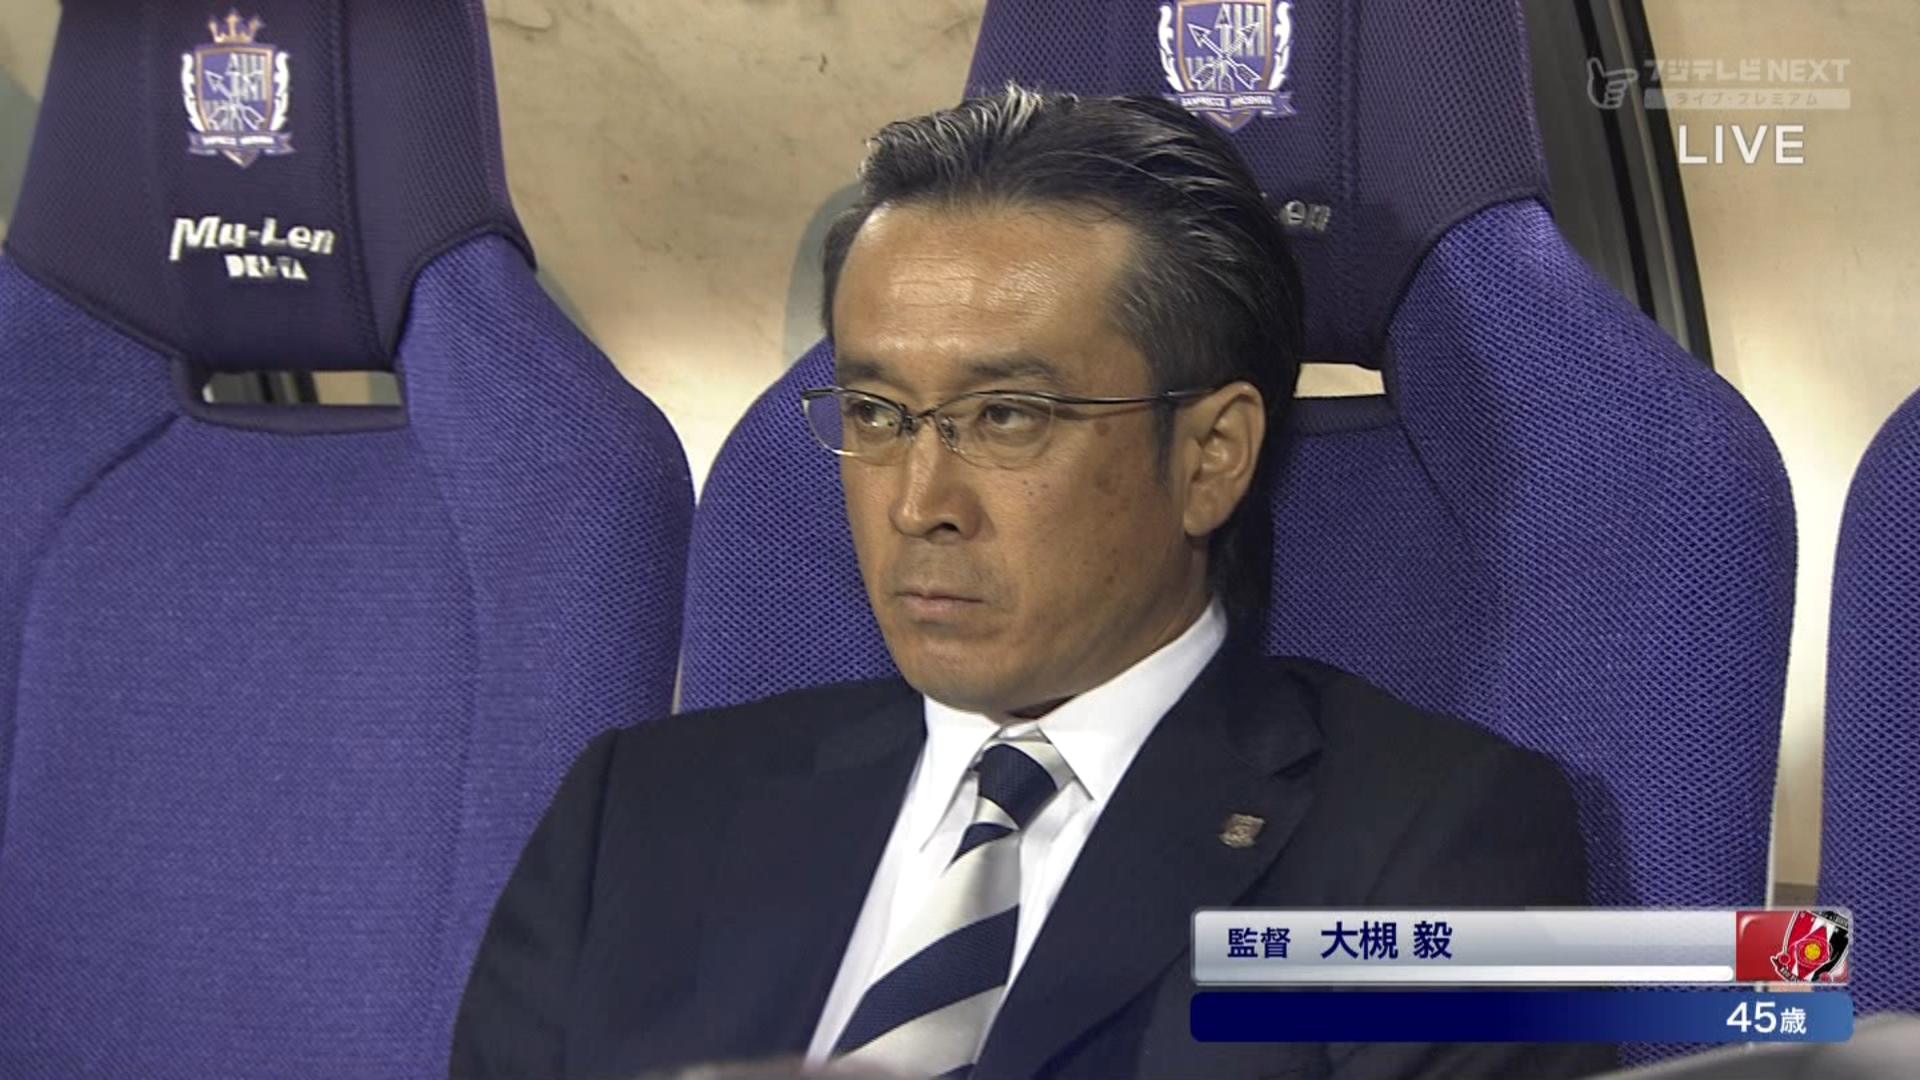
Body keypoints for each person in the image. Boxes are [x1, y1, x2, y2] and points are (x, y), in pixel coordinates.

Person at [450, 86, 1613, 1080]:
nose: (918, 502)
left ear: (1210, 457)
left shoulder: (1431, 854)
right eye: (876, 414)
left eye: (1007, 416)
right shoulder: (637, 817)